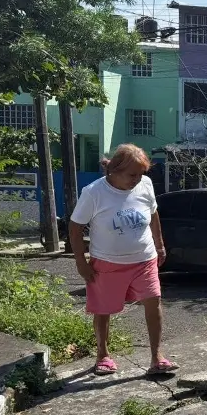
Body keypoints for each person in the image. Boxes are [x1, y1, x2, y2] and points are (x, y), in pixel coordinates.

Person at [68, 144, 178, 376]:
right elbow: (76, 227)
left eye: (141, 174)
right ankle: (103, 356)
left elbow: (153, 214)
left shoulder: (145, 186)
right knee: (103, 309)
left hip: (144, 259)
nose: (138, 180)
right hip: (107, 263)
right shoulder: (94, 192)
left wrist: (159, 244)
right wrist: (81, 262)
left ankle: (157, 357)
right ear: (114, 171)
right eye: (132, 175)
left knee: (153, 299)